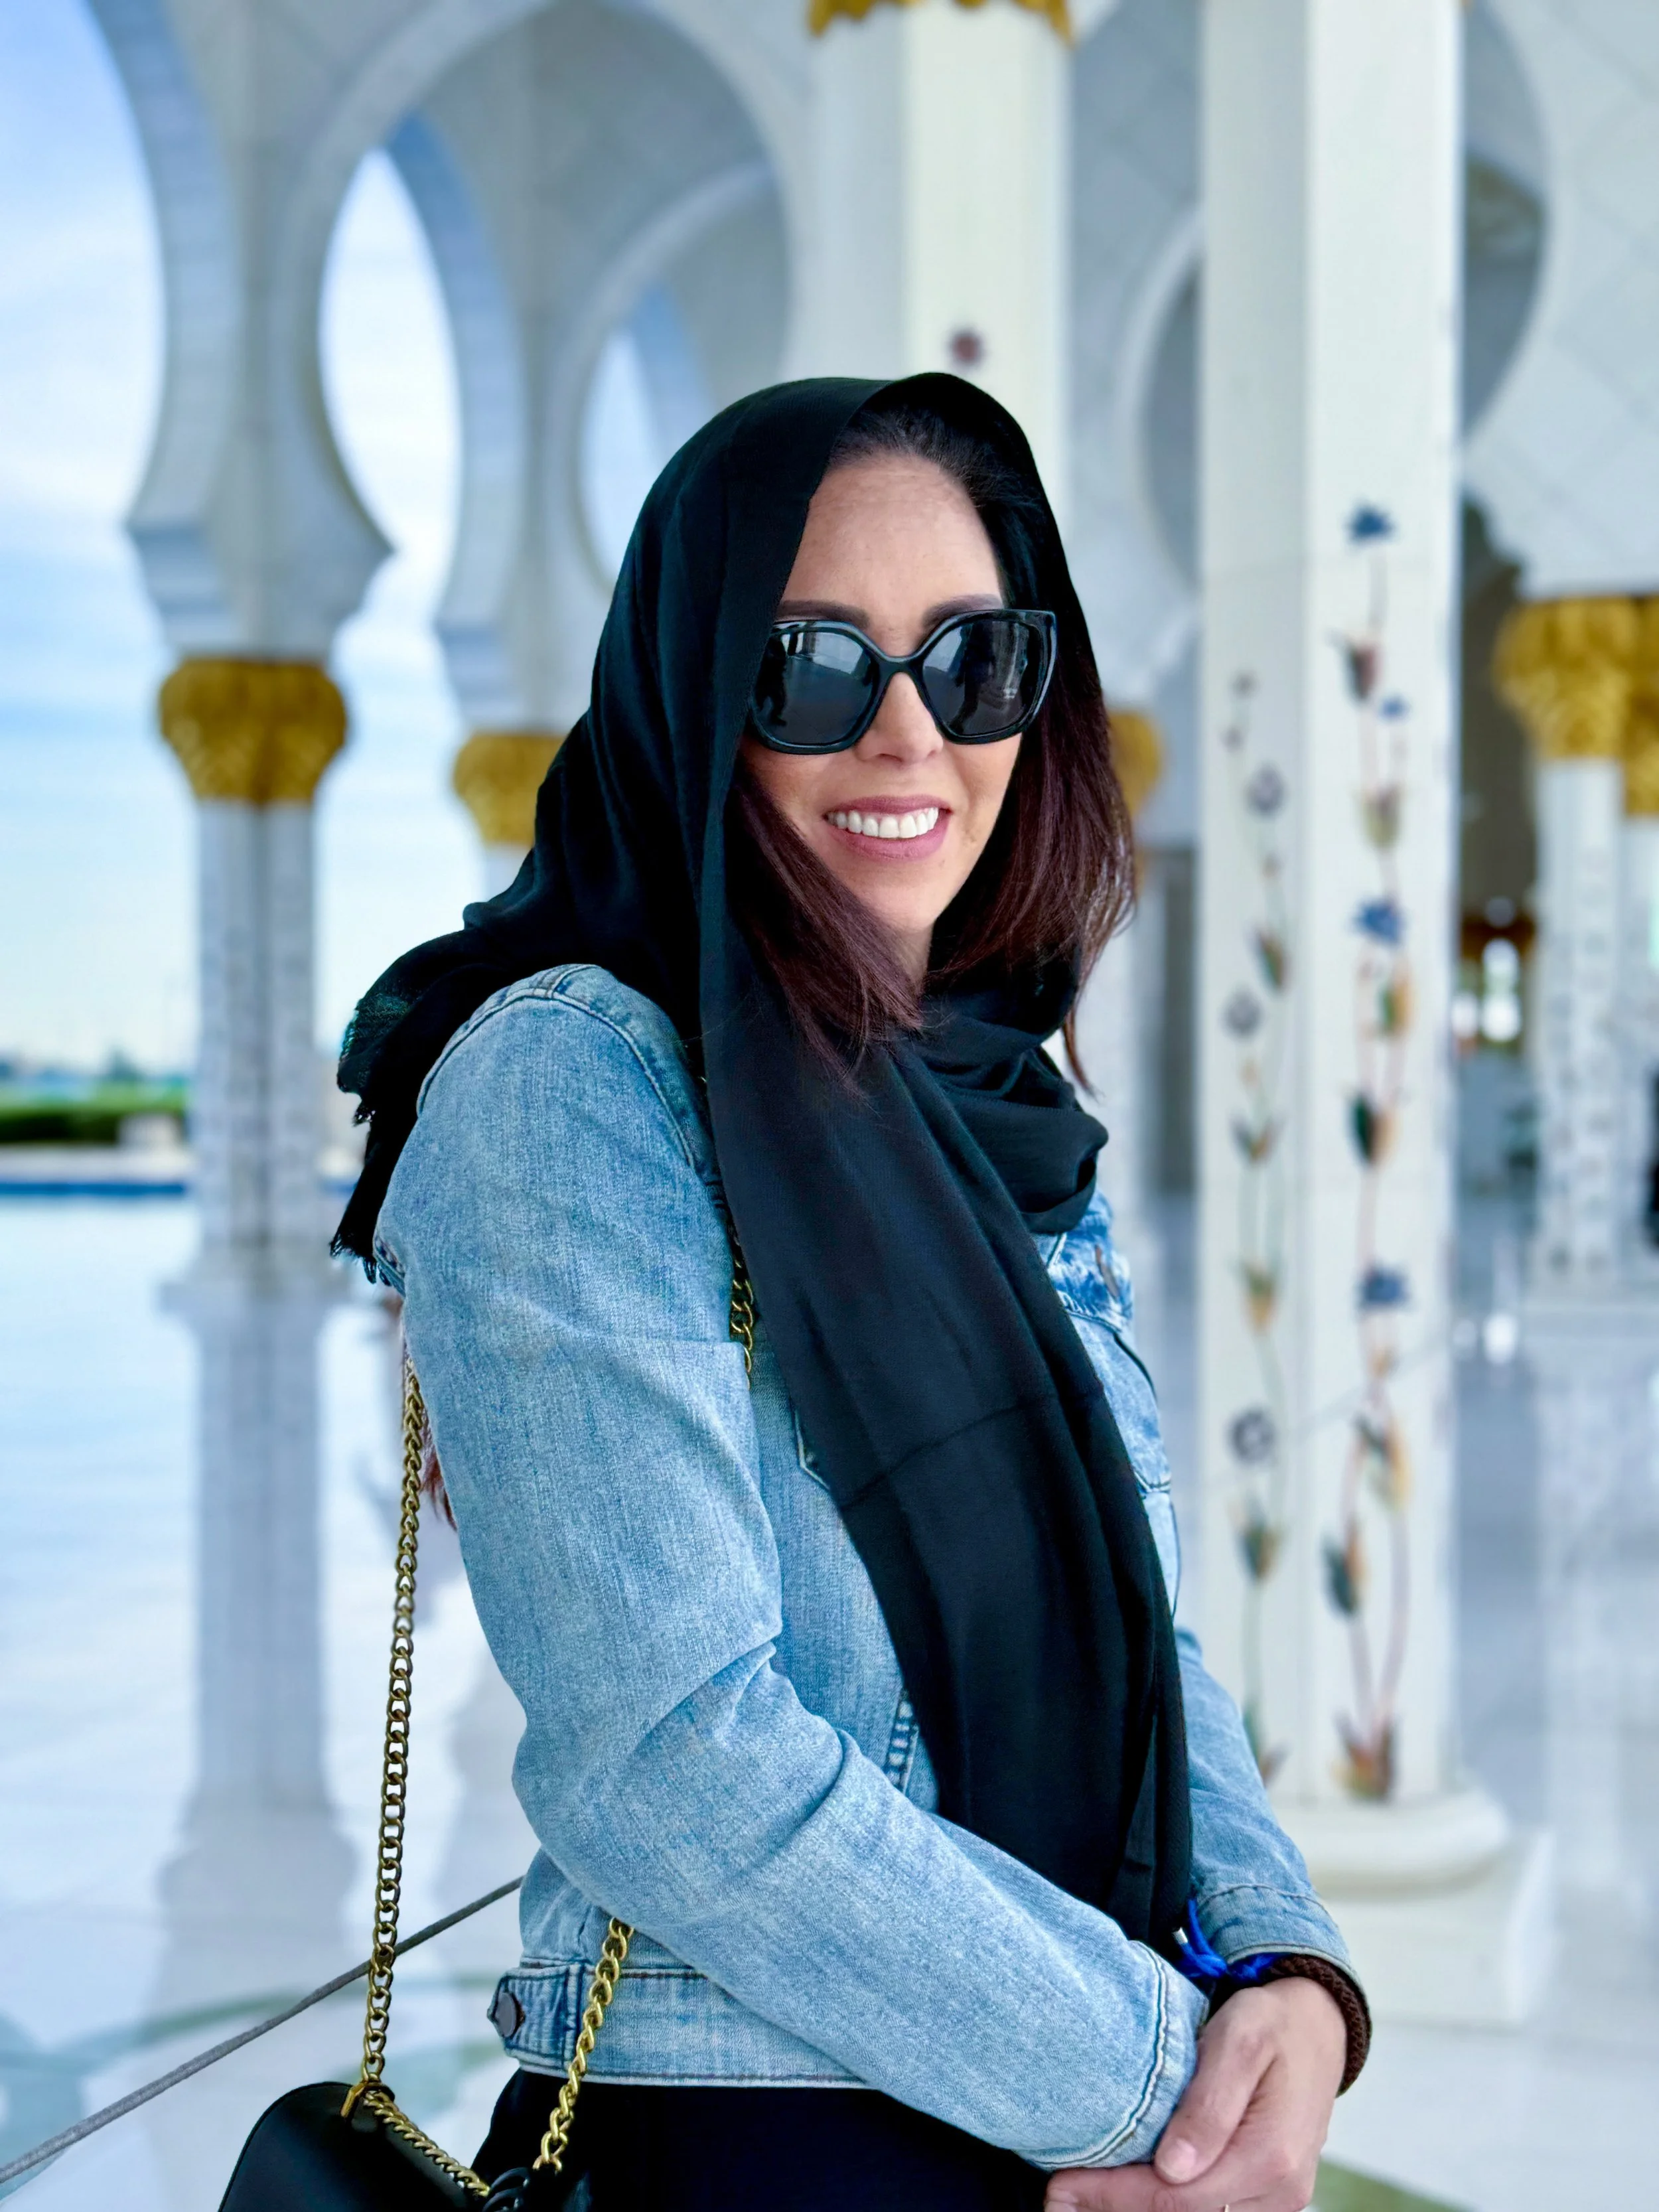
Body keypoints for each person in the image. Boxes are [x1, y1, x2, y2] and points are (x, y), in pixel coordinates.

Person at [334, 375, 1366, 2212]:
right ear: (690, 684)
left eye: (970, 660)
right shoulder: (575, 1077)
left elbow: (1140, 1629)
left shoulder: (992, 1100)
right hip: (774, 2144)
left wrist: (1286, 1974)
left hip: (1050, 2098)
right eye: (807, 664)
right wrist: (1165, 2089)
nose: (908, 736)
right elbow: (668, 1753)